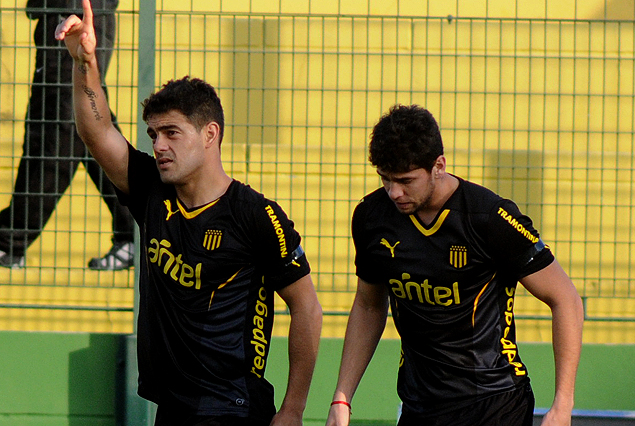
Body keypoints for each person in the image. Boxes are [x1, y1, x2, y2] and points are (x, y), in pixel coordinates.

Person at [56, 1, 323, 425]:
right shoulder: (152, 191)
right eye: (153, 134)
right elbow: (98, 132)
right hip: (173, 407)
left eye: (171, 133)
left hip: (233, 407)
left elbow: (306, 307)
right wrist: (84, 62)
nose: (159, 145)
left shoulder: (256, 214)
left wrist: (293, 409)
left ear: (210, 134)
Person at [326, 105, 584, 426]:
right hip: (419, 405)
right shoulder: (372, 217)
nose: (394, 192)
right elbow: (368, 306)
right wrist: (342, 397)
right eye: (385, 179)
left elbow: (566, 299)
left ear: (439, 166)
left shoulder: (490, 217)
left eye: (406, 181)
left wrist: (562, 406)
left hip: (495, 402)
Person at [0, 0, 135, 270]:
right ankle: (138, 229)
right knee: (85, 127)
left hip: (74, 15)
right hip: (63, 15)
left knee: (62, 128)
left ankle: (11, 239)